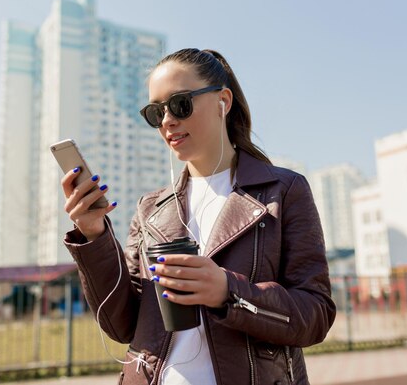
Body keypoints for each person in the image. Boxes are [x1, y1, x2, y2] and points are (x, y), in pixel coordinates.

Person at [60, 48, 336, 385]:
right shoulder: (151, 209)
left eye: (180, 104)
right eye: (155, 112)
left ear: (223, 100)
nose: (167, 121)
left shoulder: (283, 191)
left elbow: (316, 314)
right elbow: (122, 325)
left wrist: (228, 292)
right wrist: (95, 236)